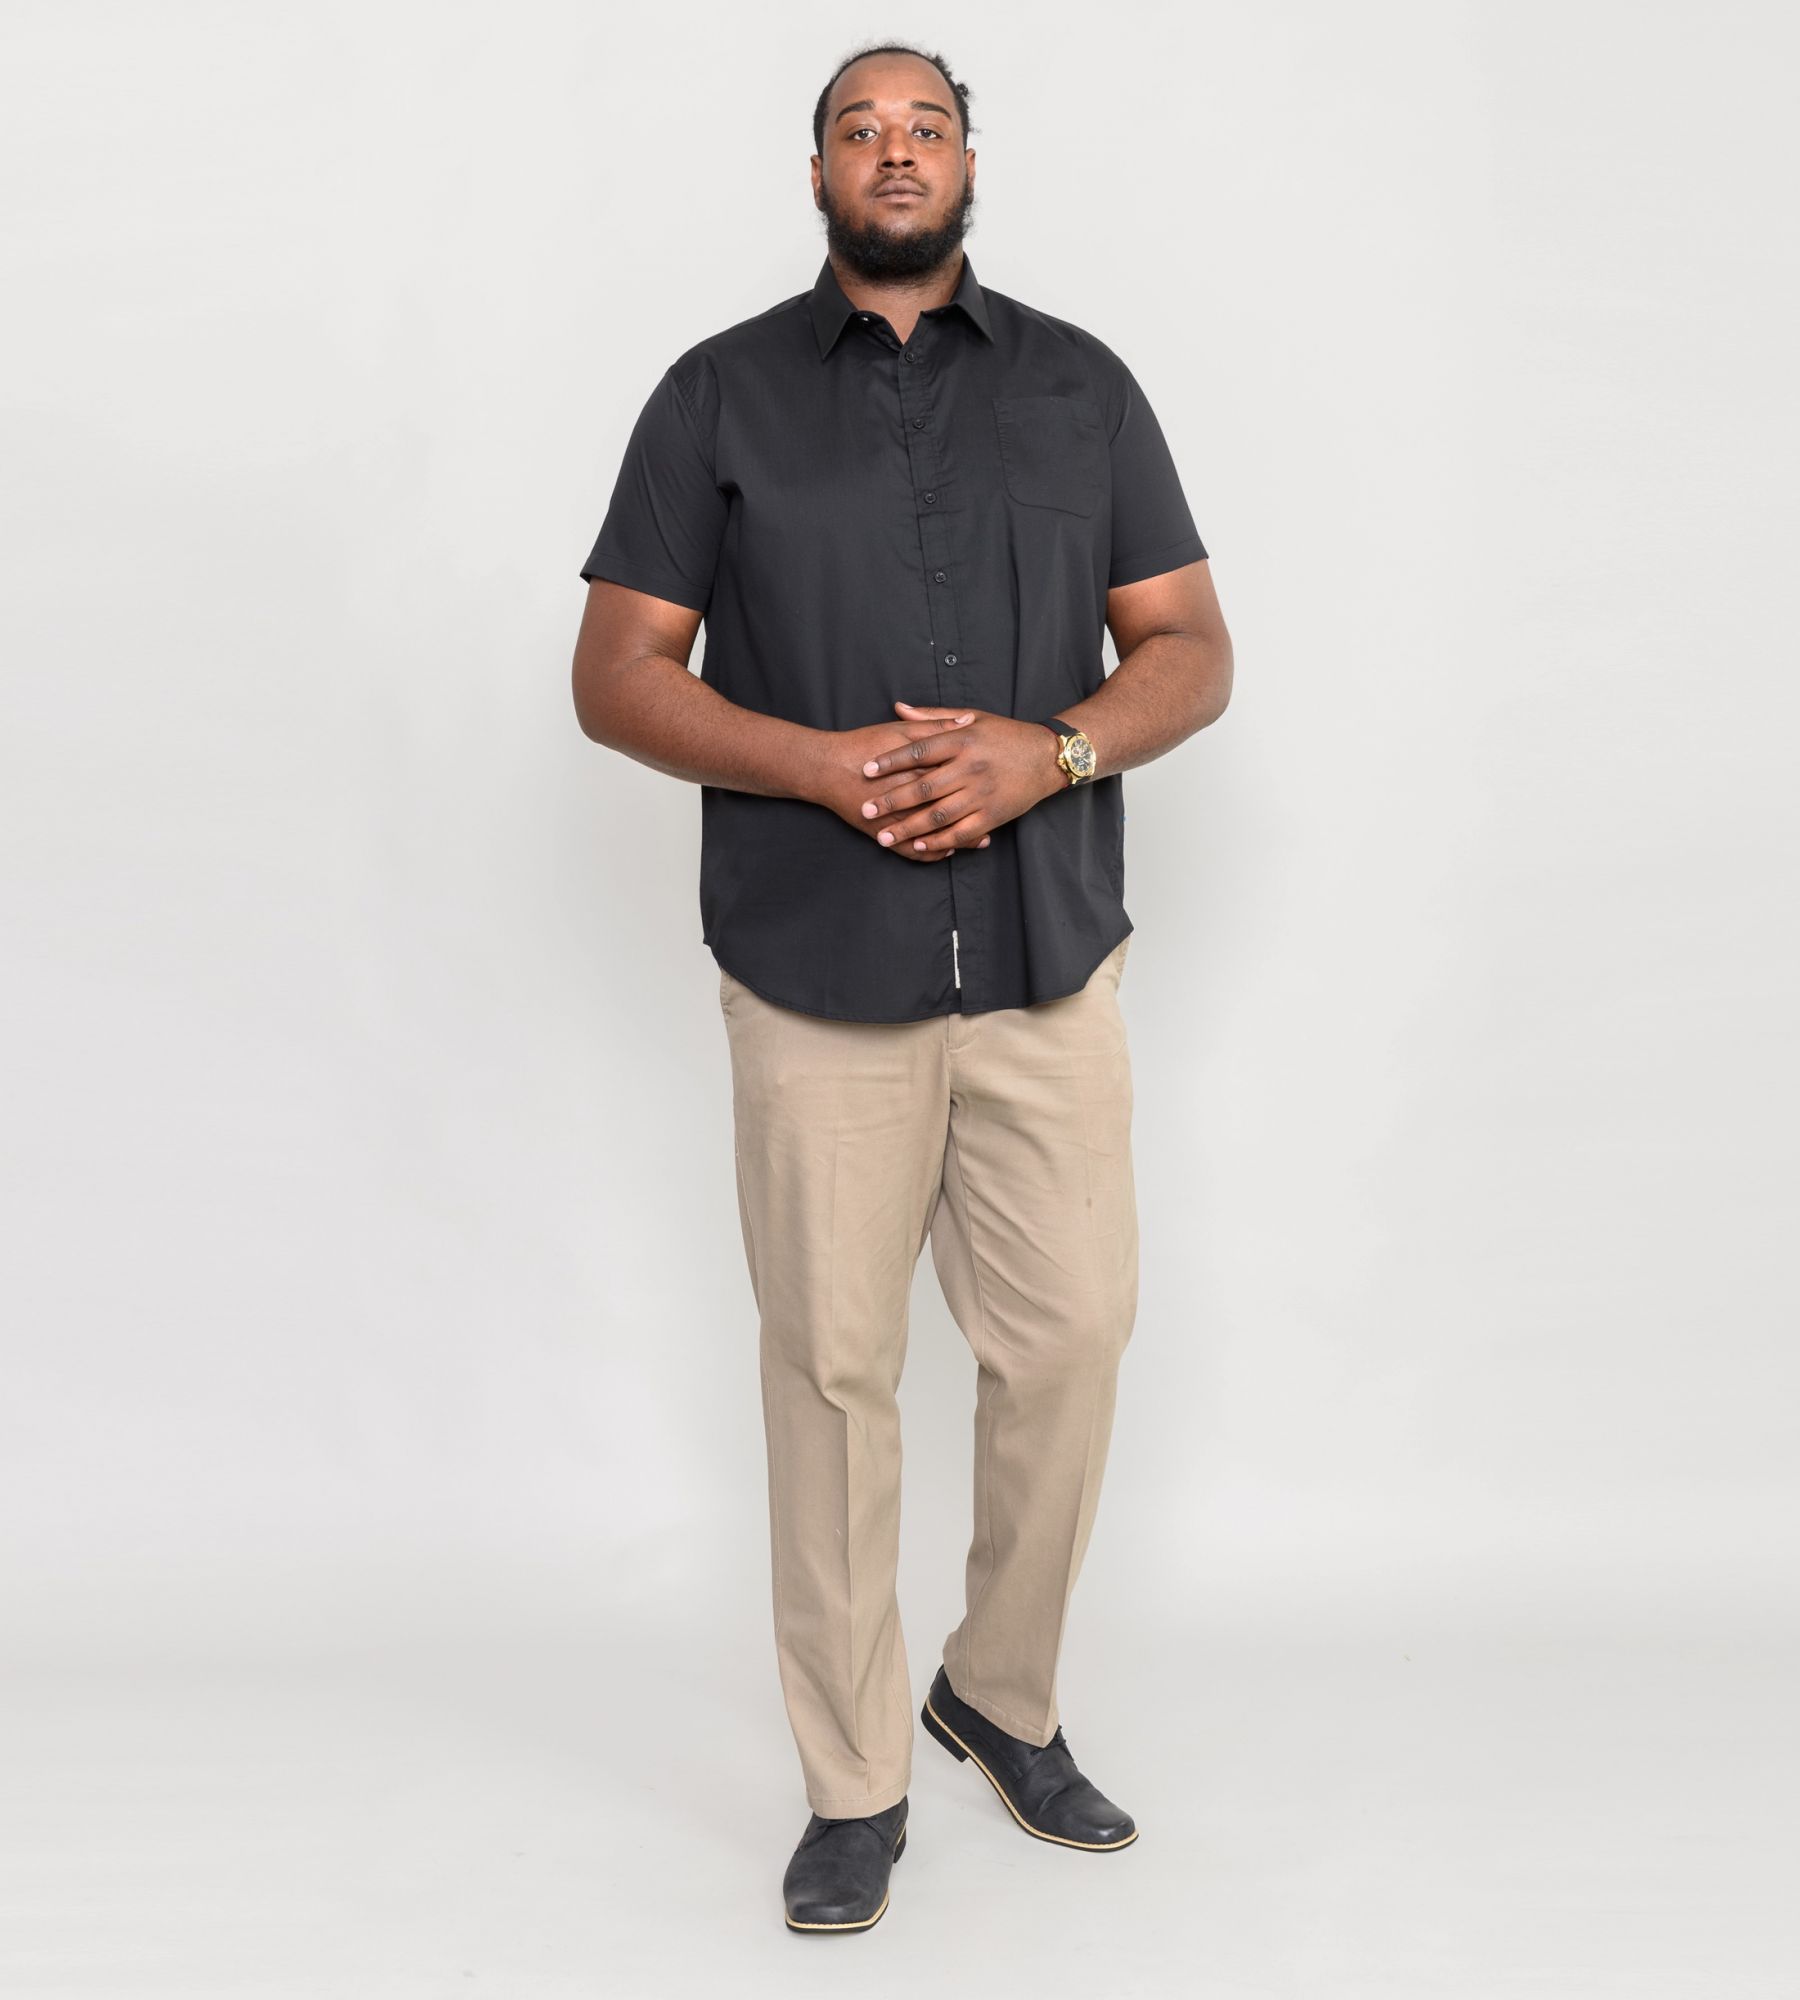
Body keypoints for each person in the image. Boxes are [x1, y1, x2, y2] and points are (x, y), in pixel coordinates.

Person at [570, 40, 1233, 1935]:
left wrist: (1055, 752)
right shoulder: (715, 395)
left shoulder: (1084, 387)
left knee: (1073, 1339)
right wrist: (812, 763)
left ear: (967, 163)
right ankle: (854, 1783)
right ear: (816, 176)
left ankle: (996, 1697)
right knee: (834, 1375)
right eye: (857, 129)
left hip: (1044, 965)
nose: (893, 151)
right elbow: (615, 675)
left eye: (923, 125)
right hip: (814, 972)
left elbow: (1189, 647)